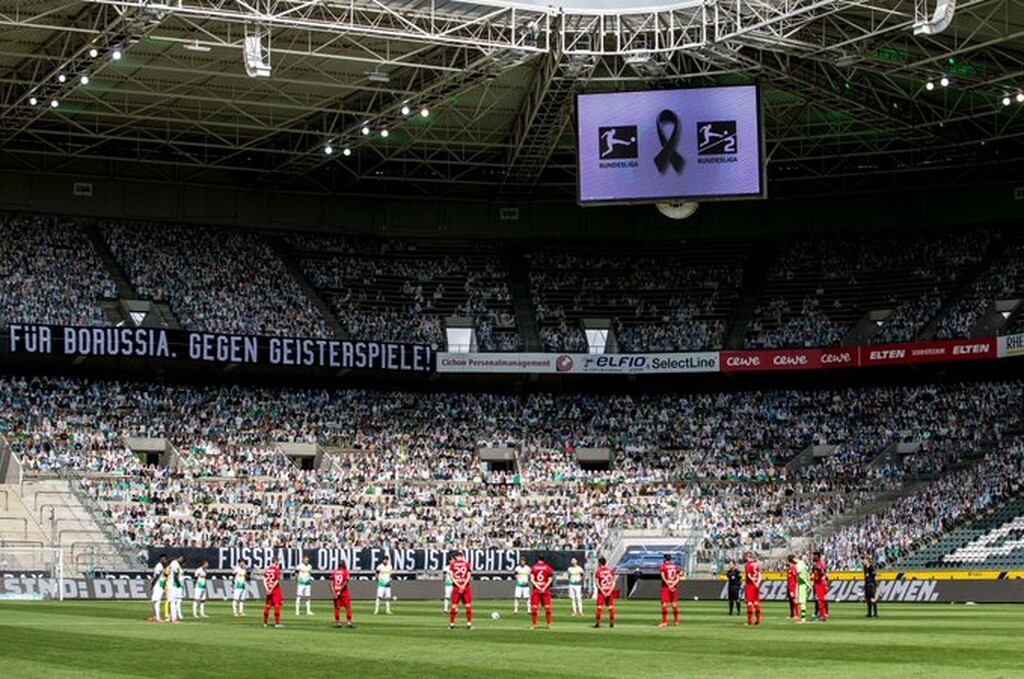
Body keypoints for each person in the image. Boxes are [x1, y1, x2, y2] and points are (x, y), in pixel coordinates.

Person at [447, 550, 474, 630]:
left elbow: (452, 576)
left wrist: (459, 585)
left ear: (456, 557)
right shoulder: (467, 564)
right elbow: (469, 576)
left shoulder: (453, 564)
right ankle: (469, 624)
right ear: (462, 556)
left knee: (454, 606)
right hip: (466, 587)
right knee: (468, 605)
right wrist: (463, 585)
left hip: (456, 587)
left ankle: (452, 624)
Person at [529, 554, 555, 629]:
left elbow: (532, 579)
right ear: (544, 559)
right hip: (545, 590)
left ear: (538, 559)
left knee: (534, 608)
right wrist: (544, 588)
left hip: (536, 590)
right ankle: (549, 624)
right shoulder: (548, 567)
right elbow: (550, 579)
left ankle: (534, 624)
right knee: (548, 608)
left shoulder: (534, 567)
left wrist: (538, 586)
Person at [659, 553, 682, 627]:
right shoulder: (676, 567)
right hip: (674, 586)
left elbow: (663, 577)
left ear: (665, 559)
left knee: (664, 605)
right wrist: (673, 585)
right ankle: (676, 622)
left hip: (665, 587)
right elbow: (678, 578)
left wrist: (669, 585)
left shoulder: (663, 566)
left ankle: (664, 622)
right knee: (674, 604)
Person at [593, 557, 617, 628]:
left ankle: (598, 623)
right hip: (609, 590)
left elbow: (597, 583)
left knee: (599, 607)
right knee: (611, 607)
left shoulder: (598, 571)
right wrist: (610, 590)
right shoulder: (610, 570)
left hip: (602, 591)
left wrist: (603, 591)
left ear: (599, 563)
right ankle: (612, 623)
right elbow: (613, 581)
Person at [331, 559, 354, 628]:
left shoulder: (334, 572)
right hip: (344, 591)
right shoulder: (345, 572)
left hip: (336, 590)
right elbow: (346, 581)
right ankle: (349, 622)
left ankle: (338, 623)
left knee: (337, 608)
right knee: (348, 607)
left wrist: (334, 592)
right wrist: (340, 590)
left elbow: (331, 583)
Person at [263, 555, 284, 628]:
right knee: (277, 606)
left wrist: (267, 589)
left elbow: (264, 580)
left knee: (267, 606)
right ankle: (277, 623)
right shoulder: (277, 570)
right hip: (275, 590)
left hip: (268, 589)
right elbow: (277, 580)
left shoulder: (267, 569)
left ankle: (265, 623)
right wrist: (272, 589)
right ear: (276, 562)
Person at [744, 551, 763, 626]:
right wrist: (758, 583)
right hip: (757, 585)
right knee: (756, 602)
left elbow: (749, 575)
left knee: (749, 603)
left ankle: (750, 621)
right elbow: (760, 575)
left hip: (750, 585)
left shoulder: (748, 565)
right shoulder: (757, 564)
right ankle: (758, 620)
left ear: (747, 556)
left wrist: (754, 582)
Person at [148, 553, 168, 622]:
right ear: (161, 559)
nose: (165, 560)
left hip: (160, 585)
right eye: (164, 559)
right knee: (156, 601)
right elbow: (156, 576)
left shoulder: (162, 567)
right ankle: (157, 617)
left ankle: (156, 616)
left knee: (156, 600)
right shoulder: (159, 566)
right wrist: (153, 584)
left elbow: (164, 575)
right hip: (158, 585)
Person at [812, 551, 829, 622]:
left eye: (814, 556)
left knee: (820, 600)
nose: (813, 557)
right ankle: (822, 614)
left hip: (820, 584)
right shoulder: (819, 563)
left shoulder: (819, 564)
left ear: (818, 556)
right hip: (820, 583)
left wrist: (816, 579)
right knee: (821, 600)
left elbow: (821, 573)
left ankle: (823, 615)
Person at [167, 554, 185, 623]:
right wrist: (178, 585)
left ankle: (171, 616)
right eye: (181, 558)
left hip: (172, 584)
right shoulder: (175, 564)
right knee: (173, 601)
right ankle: (173, 618)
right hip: (172, 584)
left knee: (173, 601)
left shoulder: (175, 564)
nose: (181, 560)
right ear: (177, 558)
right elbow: (175, 576)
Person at [795, 554, 811, 624]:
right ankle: (803, 618)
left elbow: (799, 574)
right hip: (807, 584)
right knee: (803, 602)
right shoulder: (804, 564)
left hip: (802, 584)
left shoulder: (798, 565)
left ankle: (803, 618)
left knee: (802, 602)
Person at [786, 555, 798, 619]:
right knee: (790, 601)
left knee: (794, 600)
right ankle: (792, 614)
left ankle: (797, 614)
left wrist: (796, 586)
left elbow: (796, 577)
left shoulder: (793, 568)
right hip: (789, 586)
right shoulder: (789, 568)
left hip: (793, 586)